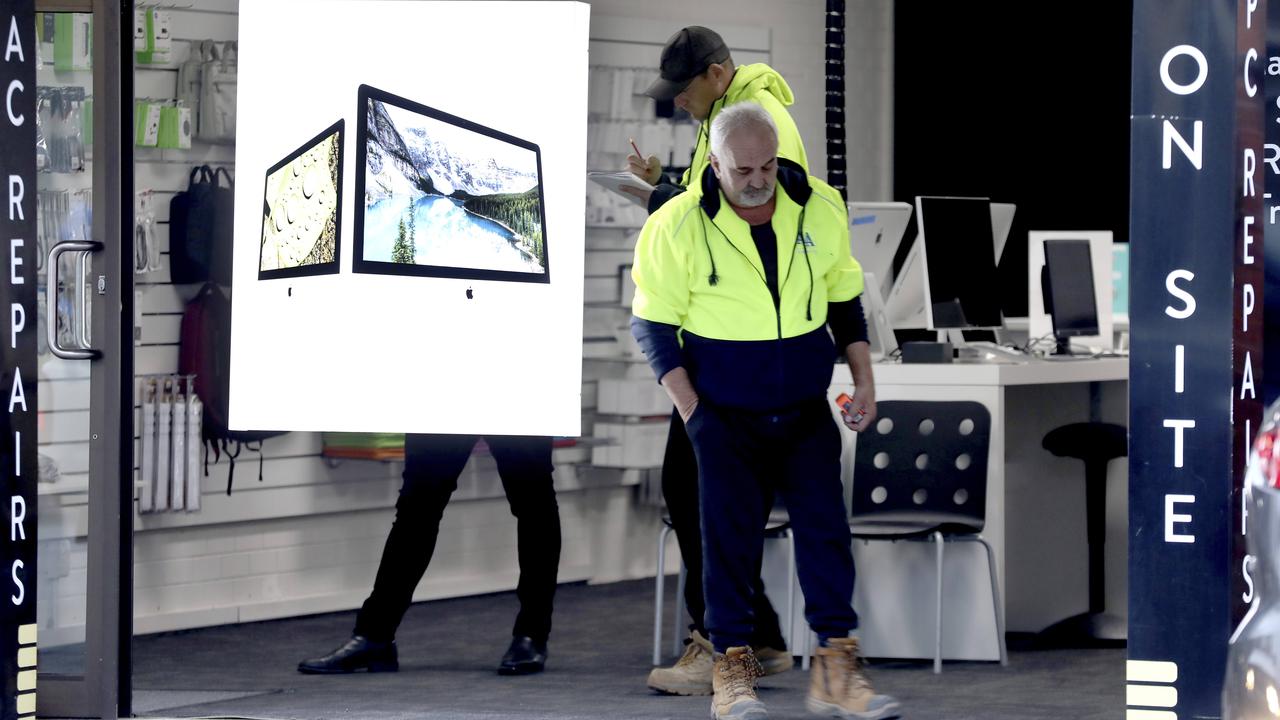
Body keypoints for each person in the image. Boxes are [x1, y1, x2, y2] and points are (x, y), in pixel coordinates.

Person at [630, 102, 900, 720]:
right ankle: (733, 675)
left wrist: (863, 379)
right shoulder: (676, 225)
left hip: (804, 411)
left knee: (827, 537)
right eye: (742, 168)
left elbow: (845, 302)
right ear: (714, 165)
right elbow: (651, 328)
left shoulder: (820, 208)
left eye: (767, 165)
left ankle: (836, 671)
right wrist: (694, 414)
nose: (757, 180)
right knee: (729, 546)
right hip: (723, 417)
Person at [627, 25, 806, 696]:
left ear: (719, 72)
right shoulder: (731, 120)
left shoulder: (757, 124)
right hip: (734, 332)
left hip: (738, 336)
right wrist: (665, 191)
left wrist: (660, 203)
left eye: (685, 90)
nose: (678, 105)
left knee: (698, 488)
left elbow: (752, 214)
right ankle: (756, 636)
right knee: (705, 488)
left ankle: (722, 645)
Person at [297, 434, 560, 676]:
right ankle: (375, 636)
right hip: (444, 388)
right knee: (417, 506)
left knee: (534, 503)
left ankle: (533, 634)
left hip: (517, 388)